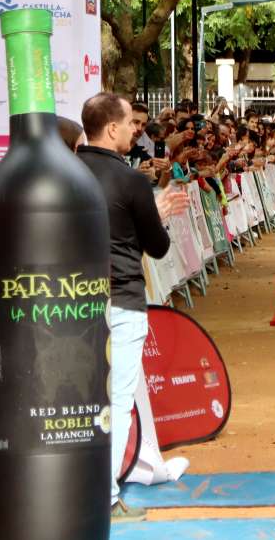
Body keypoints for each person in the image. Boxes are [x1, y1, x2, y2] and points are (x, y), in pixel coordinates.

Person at [76, 93, 190, 523]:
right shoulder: (130, 180)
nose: (134, 131)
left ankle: (82, 488)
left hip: (73, 305)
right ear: (111, 128)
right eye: (129, 124)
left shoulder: (69, 173)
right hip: (122, 300)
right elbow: (157, 247)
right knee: (118, 400)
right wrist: (157, 213)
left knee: (80, 399)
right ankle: (104, 498)